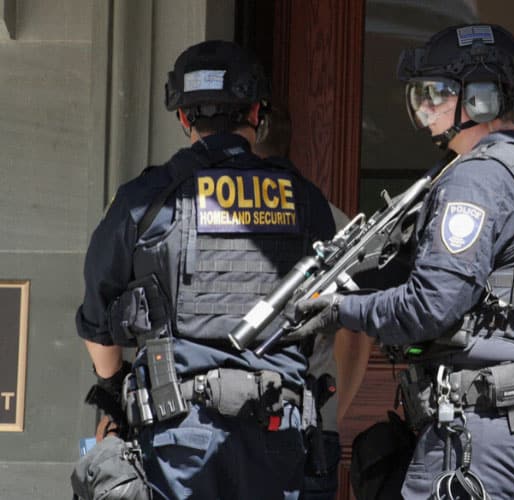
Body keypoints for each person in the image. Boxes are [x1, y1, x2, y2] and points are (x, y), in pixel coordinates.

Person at [292, 24, 514, 499]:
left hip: (482, 432)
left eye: (436, 93)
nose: (425, 109)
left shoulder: (475, 178)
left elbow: (431, 306)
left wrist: (338, 309)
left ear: (482, 98)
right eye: (420, 95)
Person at [74, 40, 336, 499]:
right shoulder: (305, 201)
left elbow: (98, 322)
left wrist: (112, 391)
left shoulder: (145, 200)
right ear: (257, 112)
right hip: (278, 432)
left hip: (176, 438)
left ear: (182, 117)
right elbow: (338, 313)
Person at [253, 103, 374, 500]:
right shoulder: (325, 215)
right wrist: (331, 417)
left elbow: (356, 332)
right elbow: (357, 333)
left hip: (236, 428)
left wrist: (331, 414)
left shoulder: (324, 218)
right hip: (306, 424)